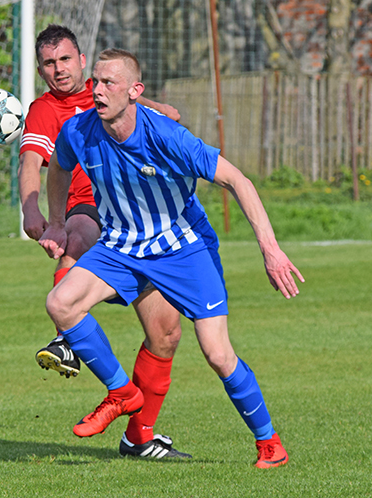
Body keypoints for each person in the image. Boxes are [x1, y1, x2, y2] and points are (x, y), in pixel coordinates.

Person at [39, 48, 304, 468]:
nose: (98, 90)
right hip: (121, 246)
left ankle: (269, 442)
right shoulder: (79, 131)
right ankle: (121, 394)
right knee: (60, 303)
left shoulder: (166, 136)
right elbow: (57, 167)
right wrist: (55, 221)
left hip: (183, 248)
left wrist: (271, 252)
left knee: (217, 354)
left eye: (109, 83)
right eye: (96, 82)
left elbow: (239, 180)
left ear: (134, 91)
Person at [19, 25, 190, 459]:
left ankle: (139, 438)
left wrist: (144, 102)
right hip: (90, 208)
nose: (57, 70)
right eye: (48, 63)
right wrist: (33, 210)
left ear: (82, 60)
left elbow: (164, 114)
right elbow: (32, 163)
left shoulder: (106, 92)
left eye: (64, 60)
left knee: (165, 335)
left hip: (147, 225)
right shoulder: (45, 110)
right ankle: (65, 337)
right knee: (76, 234)